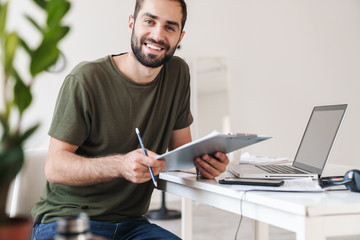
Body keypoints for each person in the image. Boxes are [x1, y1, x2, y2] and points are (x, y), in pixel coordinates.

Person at [31, 0, 229, 239]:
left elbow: (180, 154)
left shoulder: (178, 73)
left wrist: (204, 165)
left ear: (180, 36)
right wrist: (120, 165)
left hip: (132, 225)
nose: (157, 34)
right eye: (149, 21)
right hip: (67, 220)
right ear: (131, 23)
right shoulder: (85, 79)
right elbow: (55, 167)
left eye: (170, 27)